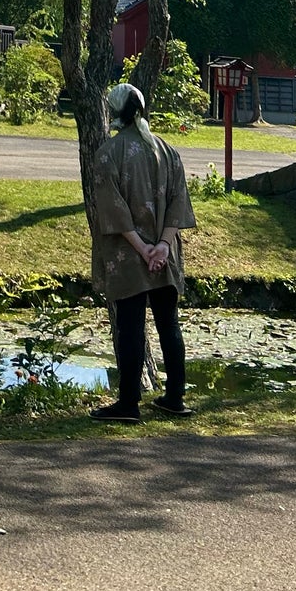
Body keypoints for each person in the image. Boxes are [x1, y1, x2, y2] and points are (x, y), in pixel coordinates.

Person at [89, 80, 196, 424]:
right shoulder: (167, 150)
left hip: (128, 254)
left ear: (116, 111)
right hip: (165, 255)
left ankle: (128, 403)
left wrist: (143, 248)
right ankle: (175, 397)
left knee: (131, 326)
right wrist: (163, 247)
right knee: (169, 323)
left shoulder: (108, 153)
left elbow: (113, 211)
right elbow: (180, 202)